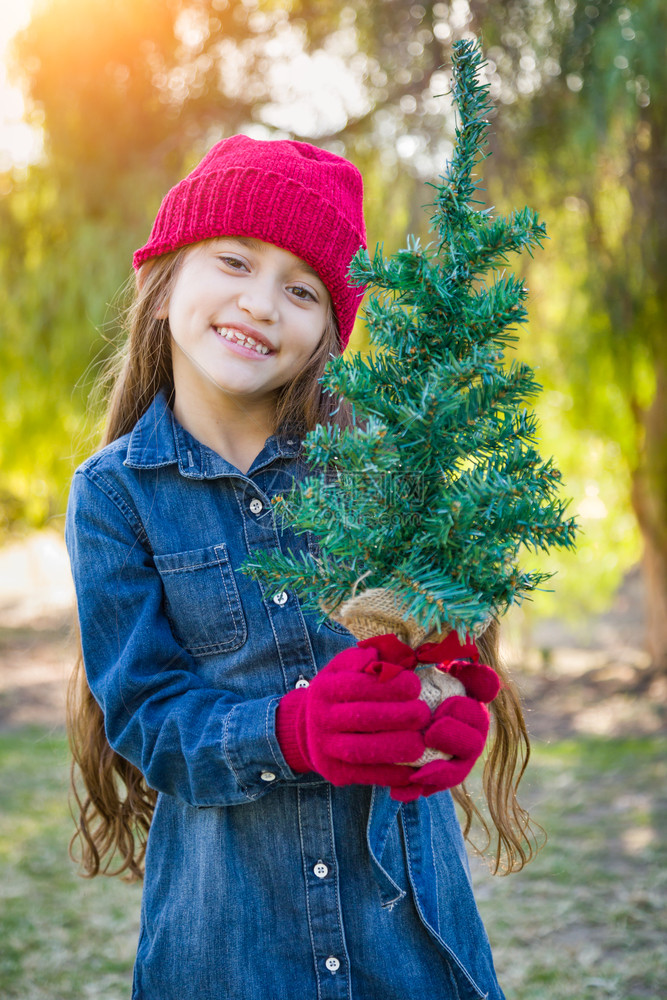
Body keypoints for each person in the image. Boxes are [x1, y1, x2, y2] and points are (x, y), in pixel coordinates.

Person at [65, 134, 535, 1000]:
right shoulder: (113, 497)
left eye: (301, 289)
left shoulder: (382, 459)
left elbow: (439, 632)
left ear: (327, 329)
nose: (261, 303)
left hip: (405, 928)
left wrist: (455, 699)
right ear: (166, 280)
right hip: (225, 943)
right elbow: (149, 715)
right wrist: (292, 731)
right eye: (234, 261)